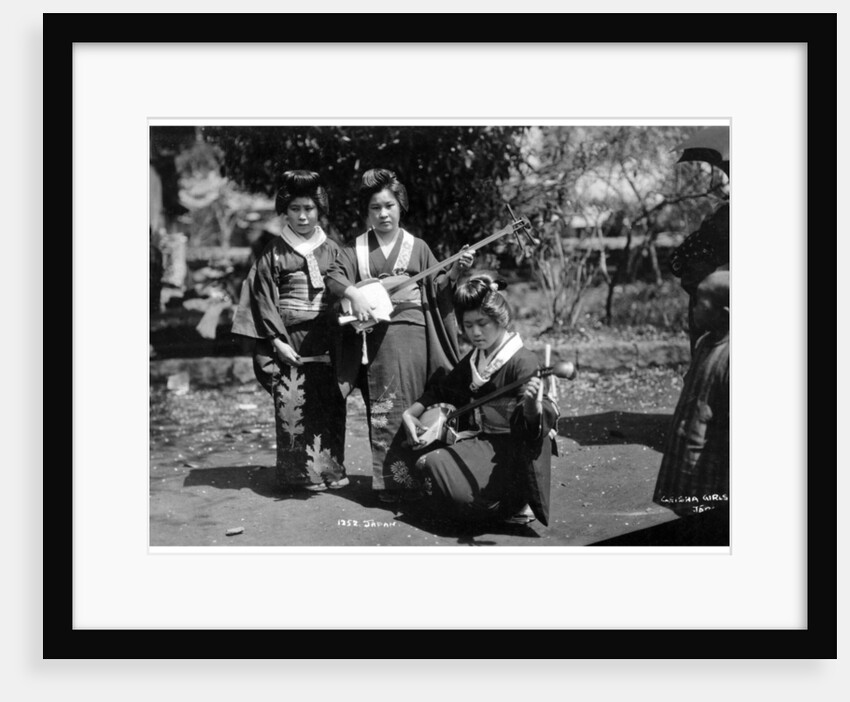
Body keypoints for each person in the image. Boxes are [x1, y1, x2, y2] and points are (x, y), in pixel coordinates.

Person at [325, 168, 473, 503]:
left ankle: (426, 478)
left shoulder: (416, 246)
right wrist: (356, 294)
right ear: (367, 212)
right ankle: (391, 484)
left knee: (420, 402)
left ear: (400, 206)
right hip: (379, 337)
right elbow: (334, 276)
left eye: (389, 206)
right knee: (387, 405)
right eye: (375, 207)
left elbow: (437, 286)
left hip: (417, 332)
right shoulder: (357, 249)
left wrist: (457, 269)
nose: (383, 213)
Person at [401, 274, 559, 526]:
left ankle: (511, 503)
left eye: (482, 323)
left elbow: (537, 426)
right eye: (468, 324)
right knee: (423, 462)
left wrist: (531, 408)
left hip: (510, 453)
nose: (474, 332)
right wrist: (410, 413)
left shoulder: (522, 361)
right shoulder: (476, 358)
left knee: (443, 479)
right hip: (481, 442)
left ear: (501, 320)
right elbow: (443, 390)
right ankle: (488, 505)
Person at [231, 170, 347, 492]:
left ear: (319, 209)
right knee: (294, 403)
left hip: (326, 337)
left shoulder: (333, 250)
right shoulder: (273, 252)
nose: (303, 216)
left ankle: (330, 470)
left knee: (329, 403)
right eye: (295, 209)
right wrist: (276, 342)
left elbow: (343, 290)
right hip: (288, 337)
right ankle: (297, 473)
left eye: (309, 208)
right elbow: (263, 298)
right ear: (285, 210)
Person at [653, 270, 729, 518]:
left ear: (724, 314)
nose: (692, 308)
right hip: (685, 460)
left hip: (710, 470)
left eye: (699, 303)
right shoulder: (705, 344)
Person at [670, 202, 729, 352]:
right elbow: (676, 262)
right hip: (705, 296)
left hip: (716, 295)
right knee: (701, 343)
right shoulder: (702, 239)